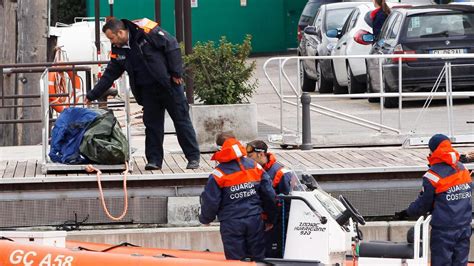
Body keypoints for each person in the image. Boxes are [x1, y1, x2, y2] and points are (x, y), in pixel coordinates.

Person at [84, 17, 200, 170]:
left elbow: (171, 46)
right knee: (152, 126)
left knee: (181, 121)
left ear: (120, 32)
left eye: (112, 38)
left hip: (169, 86)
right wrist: (92, 94)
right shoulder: (118, 49)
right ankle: (154, 160)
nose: (112, 42)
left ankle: (193, 158)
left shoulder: (146, 31)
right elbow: (110, 73)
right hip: (147, 91)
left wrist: (176, 73)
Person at [395, 134, 472, 266]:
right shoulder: (462, 169)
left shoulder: (432, 176)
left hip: (444, 230)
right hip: (464, 227)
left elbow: (423, 204)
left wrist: (407, 212)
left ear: (433, 150)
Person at [199, 132, 277, 261]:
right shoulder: (255, 166)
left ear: (220, 149)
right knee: (258, 258)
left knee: (235, 261)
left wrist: (205, 219)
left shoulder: (218, 174)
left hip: (231, 223)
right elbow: (269, 195)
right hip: (255, 220)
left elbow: (211, 201)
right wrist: (271, 219)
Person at [246, 140, 293, 258]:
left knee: (272, 255)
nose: (247, 159)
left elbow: (287, 205)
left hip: (276, 225)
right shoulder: (252, 170)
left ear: (261, 154)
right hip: (259, 222)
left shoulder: (281, 173)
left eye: (250, 156)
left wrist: (272, 222)